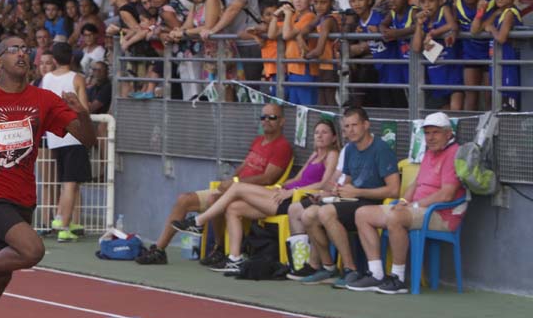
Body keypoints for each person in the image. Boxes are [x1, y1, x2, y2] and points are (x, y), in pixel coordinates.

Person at [0, 34, 95, 309]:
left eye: (25, 49)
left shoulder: (44, 99)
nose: (22, 53)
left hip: (24, 195)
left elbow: (87, 139)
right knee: (32, 250)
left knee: (2, 275)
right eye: (13, 49)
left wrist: (82, 113)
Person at [176, 118, 340, 274]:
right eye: (317, 132)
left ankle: (199, 221)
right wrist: (281, 186)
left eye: (324, 132)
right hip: (281, 194)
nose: (319, 135)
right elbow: (297, 178)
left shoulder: (332, 155)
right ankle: (234, 258)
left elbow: (324, 184)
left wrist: (292, 192)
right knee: (233, 208)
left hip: (294, 200)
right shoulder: (314, 155)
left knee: (238, 187)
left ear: (333, 138)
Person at [139, 102, 292, 265]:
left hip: (251, 194)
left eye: (272, 117)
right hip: (233, 188)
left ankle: (219, 248)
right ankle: (159, 250)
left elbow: (268, 178)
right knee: (184, 199)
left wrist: (235, 183)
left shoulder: (282, 147)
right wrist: (230, 181)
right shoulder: (258, 141)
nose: (266, 120)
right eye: (263, 117)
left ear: (282, 121)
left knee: (213, 200)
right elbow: (244, 166)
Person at [347, 112, 465, 294]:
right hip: (417, 209)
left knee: (395, 217)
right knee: (362, 214)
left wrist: (415, 206)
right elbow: (416, 183)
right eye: (427, 133)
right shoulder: (429, 153)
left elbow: (447, 195)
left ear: (448, 134)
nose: (430, 138)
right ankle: (376, 274)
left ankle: (398, 278)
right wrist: (404, 201)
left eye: (436, 133)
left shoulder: (454, 154)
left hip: (442, 215)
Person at [287, 107, 400, 288]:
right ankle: (328, 267)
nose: (351, 130)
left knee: (325, 213)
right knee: (307, 214)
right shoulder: (350, 149)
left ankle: (350, 268)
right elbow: (344, 181)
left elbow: (394, 190)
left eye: (354, 125)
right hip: (350, 200)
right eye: (346, 127)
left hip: (370, 203)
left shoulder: (381, 148)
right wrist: (328, 193)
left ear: (366, 125)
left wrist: (357, 192)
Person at [39, 42, 93, 242]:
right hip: (75, 134)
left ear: (53, 59)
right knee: (71, 182)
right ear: (71, 58)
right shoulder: (77, 78)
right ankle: (63, 226)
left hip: (55, 135)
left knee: (67, 180)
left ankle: (61, 218)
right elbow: (84, 108)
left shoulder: (47, 78)